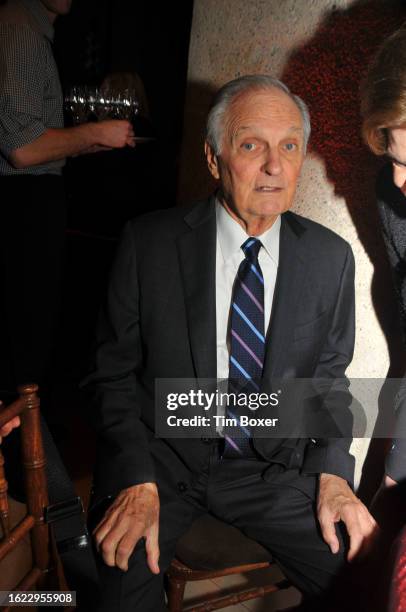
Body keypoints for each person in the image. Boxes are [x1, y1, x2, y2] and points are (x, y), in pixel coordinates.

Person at [84, 74, 376, 612]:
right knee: (118, 586)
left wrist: (335, 473)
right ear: (215, 160)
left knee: (369, 580)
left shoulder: (329, 259)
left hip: (269, 468)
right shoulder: (148, 244)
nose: (274, 166)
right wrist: (134, 478)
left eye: (289, 145)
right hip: (160, 459)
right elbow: (112, 375)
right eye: (251, 145)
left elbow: (329, 385)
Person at [0, 0, 135, 396]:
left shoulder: (33, 27)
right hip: (19, 203)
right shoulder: (19, 28)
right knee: (21, 341)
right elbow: (22, 149)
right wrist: (94, 134)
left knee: (26, 336)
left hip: (25, 199)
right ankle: (21, 441)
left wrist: (78, 146)